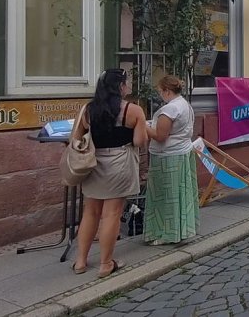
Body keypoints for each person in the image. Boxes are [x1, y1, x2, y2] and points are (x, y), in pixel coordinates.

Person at [72, 69, 147, 278]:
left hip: (94, 163)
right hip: (120, 162)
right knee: (111, 214)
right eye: (127, 82)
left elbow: (76, 138)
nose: (129, 86)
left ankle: (80, 261)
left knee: (90, 212)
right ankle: (106, 263)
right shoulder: (133, 110)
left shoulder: (87, 109)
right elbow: (140, 141)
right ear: (120, 86)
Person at [144, 75, 198, 246]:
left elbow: (160, 136)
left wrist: (142, 126)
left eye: (160, 91)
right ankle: (181, 229)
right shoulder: (184, 104)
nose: (160, 94)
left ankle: (166, 233)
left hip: (167, 157)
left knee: (166, 198)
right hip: (181, 153)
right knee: (180, 196)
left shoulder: (170, 109)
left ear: (167, 91)